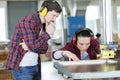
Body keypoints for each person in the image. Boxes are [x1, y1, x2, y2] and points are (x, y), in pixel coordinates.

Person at [6, 0, 62, 80]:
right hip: (23, 67)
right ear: (44, 11)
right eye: (53, 15)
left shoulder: (44, 24)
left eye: (56, 16)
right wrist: (48, 34)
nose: (54, 19)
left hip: (35, 65)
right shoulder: (28, 21)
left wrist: (30, 47)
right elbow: (34, 46)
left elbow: (44, 48)